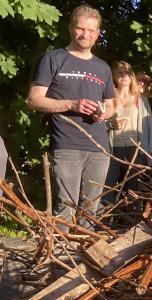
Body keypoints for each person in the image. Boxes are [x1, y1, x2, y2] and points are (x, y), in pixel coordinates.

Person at [27, 4, 115, 232]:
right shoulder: (53, 59)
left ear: (98, 34)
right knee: (65, 210)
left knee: (91, 212)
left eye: (91, 31)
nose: (85, 35)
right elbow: (34, 99)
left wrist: (104, 112)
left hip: (99, 147)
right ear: (71, 28)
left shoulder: (103, 67)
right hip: (67, 145)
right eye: (80, 28)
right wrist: (71, 104)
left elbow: (111, 105)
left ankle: (84, 263)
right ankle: (59, 262)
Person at [103, 61, 152, 205]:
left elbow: (148, 130)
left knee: (133, 193)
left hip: (135, 150)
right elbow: (99, 123)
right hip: (112, 150)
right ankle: (102, 224)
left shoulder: (141, 100)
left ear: (132, 76)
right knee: (107, 190)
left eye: (127, 72)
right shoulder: (108, 99)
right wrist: (112, 124)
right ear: (113, 76)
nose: (123, 75)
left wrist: (148, 156)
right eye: (120, 72)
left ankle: (131, 224)